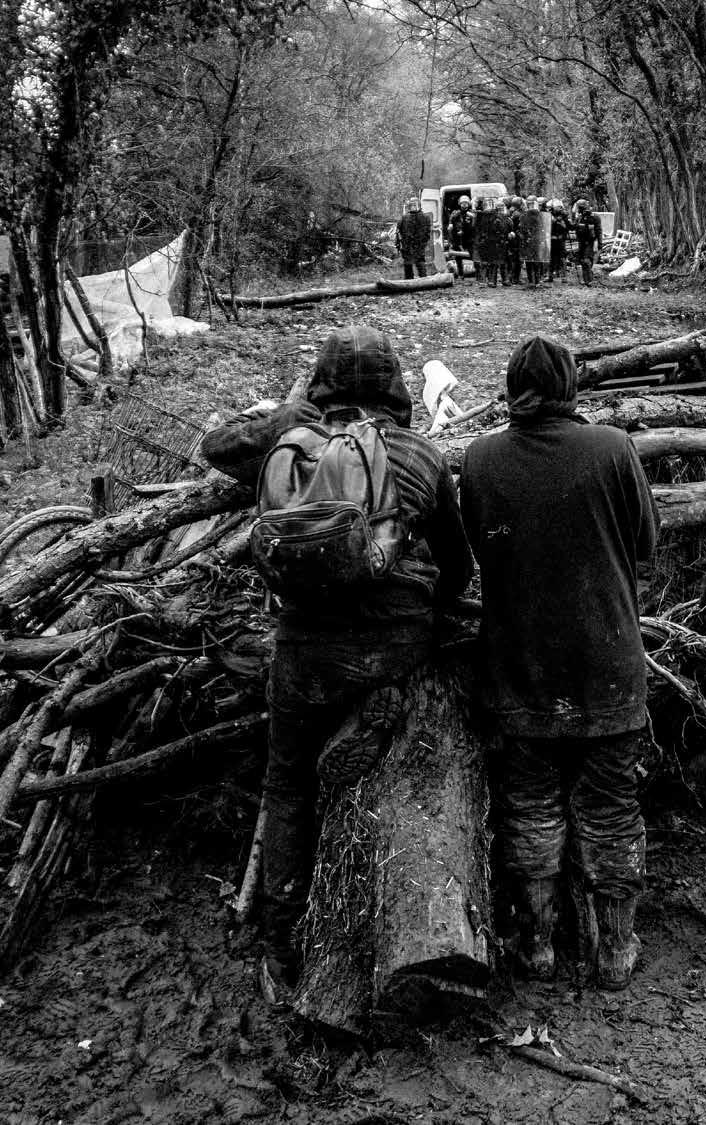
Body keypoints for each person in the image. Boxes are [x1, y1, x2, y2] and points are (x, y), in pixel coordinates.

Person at [201, 325, 474, 1004]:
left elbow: (214, 445)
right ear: (395, 384)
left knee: (287, 783)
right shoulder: (420, 453)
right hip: (396, 645)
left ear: (320, 381)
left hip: (305, 649)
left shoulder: (292, 437)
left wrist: (290, 413)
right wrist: (429, 612)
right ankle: (385, 915)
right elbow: (458, 566)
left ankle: (281, 947)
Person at [460, 335, 658, 991]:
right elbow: (646, 545)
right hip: (608, 666)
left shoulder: (481, 458)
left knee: (531, 807)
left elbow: (475, 553)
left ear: (511, 390)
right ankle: (615, 950)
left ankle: (537, 945)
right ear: (571, 388)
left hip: (520, 670)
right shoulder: (614, 449)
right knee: (611, 810)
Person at [395, 196, 431, 279]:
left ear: (419, 205)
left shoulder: (425, 217)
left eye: (415, 205)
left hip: (419, 245)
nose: (413, 207)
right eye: (411, 205)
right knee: (408, 264)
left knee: (420, 263)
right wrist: (399, 244)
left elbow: (427, 233)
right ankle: (409, 281)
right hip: (407, 245)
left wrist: (423, 243)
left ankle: (424, 281)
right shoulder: (404, 218)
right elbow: (398, 232)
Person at [573, 199, 604, 286]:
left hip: (590, 242)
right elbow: (573, 227)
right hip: (581, 242)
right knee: (579, 261)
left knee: (587, 260)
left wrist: (600, 243)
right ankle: (582, 279)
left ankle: (589, 280)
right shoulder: (579, 218)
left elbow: (599, 231)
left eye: (580, 208)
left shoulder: (595, 217)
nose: (579, 210)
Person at [448, 195, 475, 281]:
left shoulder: (472, 213)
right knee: (458, 258)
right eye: (463, 203)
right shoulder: (456, 213)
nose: (464, 205)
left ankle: (478, 274)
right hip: (458, 238)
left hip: (469, 238)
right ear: (460, 204)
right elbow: (451, 219)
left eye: (466, 203)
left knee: (474, 256)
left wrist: (472, 218)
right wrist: (450, 224)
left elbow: (474, 224)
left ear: (468, 204)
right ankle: (460, 274)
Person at [548, 200, 568, 284]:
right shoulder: (550, 215)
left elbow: (567, 227)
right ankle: (550, 276)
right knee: (551, 258)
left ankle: (564, 276)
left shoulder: (563, 215)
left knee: (562, 258)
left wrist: (558, 222)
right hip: (552, 239)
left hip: (560, 240)